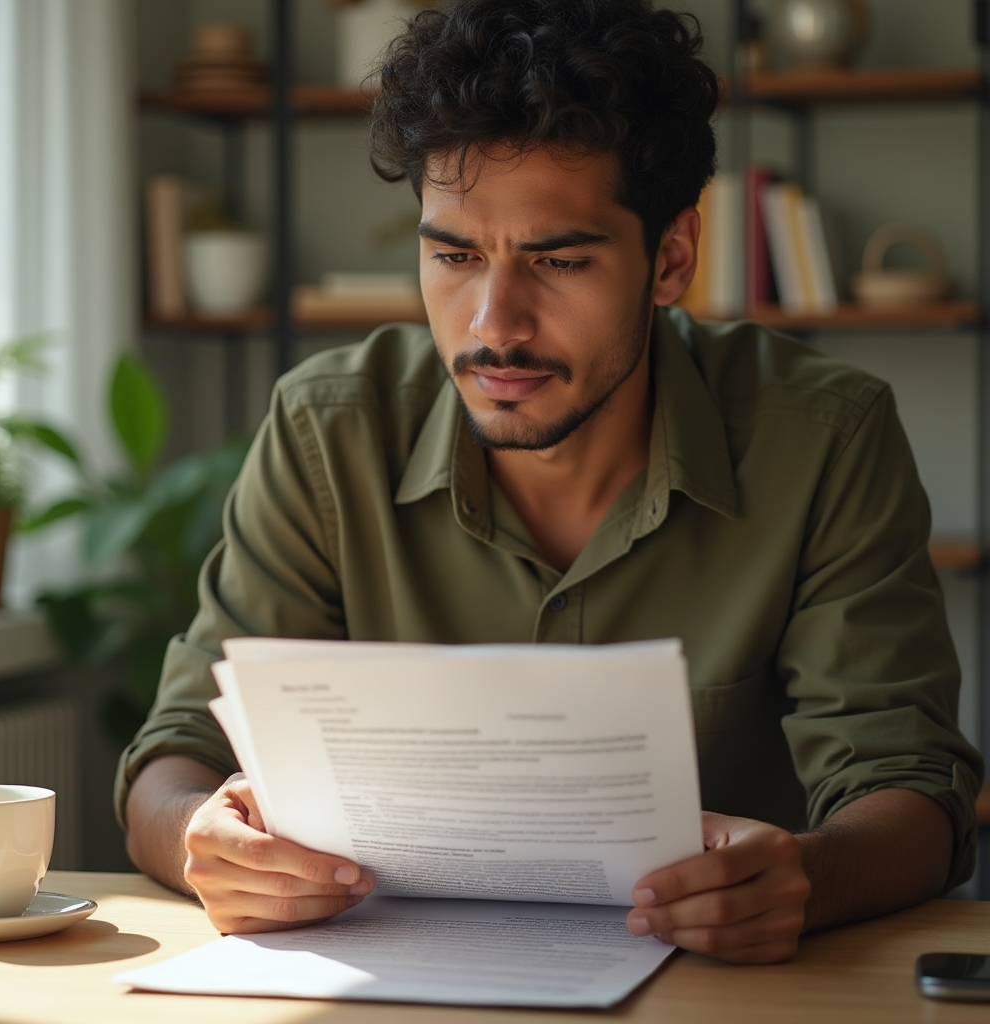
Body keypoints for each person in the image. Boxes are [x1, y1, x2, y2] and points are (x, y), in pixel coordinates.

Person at [119, 0, 983, 965]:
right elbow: (177, 752)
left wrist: (809, 881)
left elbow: (909, 783)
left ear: (672, 259)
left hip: (725, 992)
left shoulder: (824, 436)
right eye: (452, 255)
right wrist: (202, 839)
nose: (495, 324)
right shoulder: (328, 428)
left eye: (559, 259)